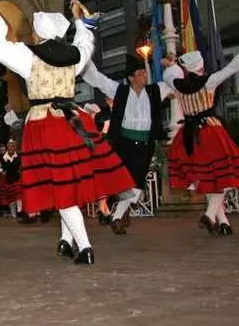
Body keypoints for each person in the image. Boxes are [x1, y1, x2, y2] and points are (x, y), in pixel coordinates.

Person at [0, 0, 135, 265]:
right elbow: (86, 44)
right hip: (72, 120)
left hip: (45, 125)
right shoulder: (74, 57)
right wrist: (80, 22)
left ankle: (85, 247)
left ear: (38, 32)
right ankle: (65, 240)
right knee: (68, 181)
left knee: (61, 187)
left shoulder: (29, 57)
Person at [82, 54, 175, 235]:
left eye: (144, 73)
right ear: (131, 78)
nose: (144, 76)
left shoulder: (155, 90)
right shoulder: (119, 90)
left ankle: (118, 216)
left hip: (145, 144)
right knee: (123, 182)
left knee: (137, 185)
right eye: (140, 73)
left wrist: (170, 65)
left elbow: (174, 83)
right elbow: (96, 78)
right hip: (124, 144)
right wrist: (83, 55)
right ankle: (117, 214)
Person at [164, 51, 239, 236]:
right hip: (210, 131)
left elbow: (169, 74)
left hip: (189, 134)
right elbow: (232, 67)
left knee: (207, 178)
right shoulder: (209, 80)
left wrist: (172, 64)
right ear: (200, 66)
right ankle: (209, 214)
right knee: (221, 176)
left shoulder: (177, 83)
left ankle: (222, 222)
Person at [0, 138, 23, 219]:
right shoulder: (2, 157)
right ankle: (14, 214)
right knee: (10, 197)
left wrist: (21, 170)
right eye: (9, 146)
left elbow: (24, 165)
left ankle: (19, 211)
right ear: (7, 147)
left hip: (17, 178)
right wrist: (1, 170)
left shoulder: (19, 156)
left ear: (15, 147)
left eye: (12, 146)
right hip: (7, 179)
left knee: (18, 195)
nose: (11, 148)